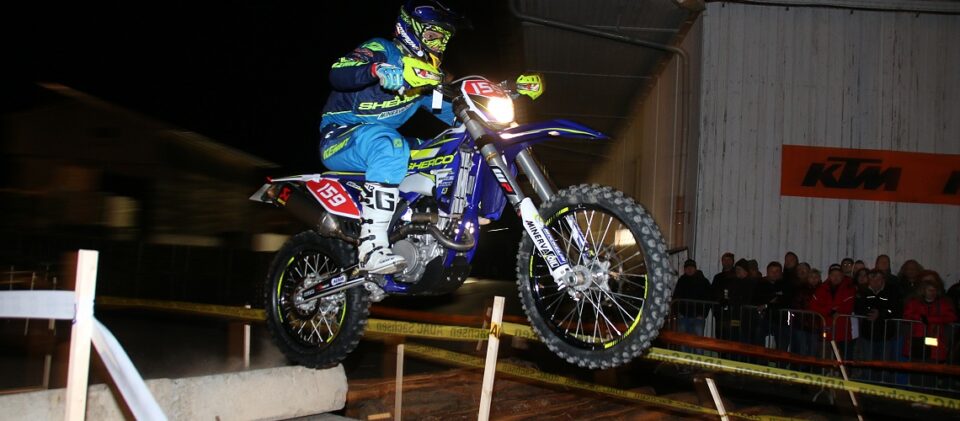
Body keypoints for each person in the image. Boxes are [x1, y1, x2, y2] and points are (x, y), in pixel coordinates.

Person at [318, 0, 461, 274]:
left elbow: (452, 113)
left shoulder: (426, 79)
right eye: (433, 35)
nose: (438, 45)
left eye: (444, 39)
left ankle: (422, 227)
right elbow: (338, 73)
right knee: (391, 144)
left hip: (379, 143)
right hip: (339, 137)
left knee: (446, 148)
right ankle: (371, 248)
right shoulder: (383, 50)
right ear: (410, 29)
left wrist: (493, 108)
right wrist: (377, 69)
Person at [854, 270, 901, 381]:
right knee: (868, 360)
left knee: (884, 361)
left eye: (878, 279)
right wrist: (868, 313)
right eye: (872, 279)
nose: (875, 282)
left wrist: (880, 314)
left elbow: (896, 309)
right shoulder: (863, 292)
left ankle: (884, 383)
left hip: (886, 334)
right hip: (868, 333)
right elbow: (858, 308)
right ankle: (869, 382)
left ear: (883, 280)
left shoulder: (891, 292)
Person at [903, 272, 956, 364]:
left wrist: (929, 319)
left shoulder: (943, 304)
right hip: (917, 339)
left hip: (934, 339)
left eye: (934, 290)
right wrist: (920, 318)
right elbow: (906, 315)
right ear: (923, 290)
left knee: (932, 364)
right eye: (930, 290)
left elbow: (952, 317)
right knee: (915, 364)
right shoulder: (914, 302)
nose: (932, 292)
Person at [810, 264, 857, 358]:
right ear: (829, 276)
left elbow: (849, 306)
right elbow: (813, 306)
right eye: (833, 275)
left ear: (842, 276)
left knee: (844, 358)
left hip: (843, 332)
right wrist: (830, 310)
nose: (835, 277)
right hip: (827, 331)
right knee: (826, 357)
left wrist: (833, 310)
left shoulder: (849, 288)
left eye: (838, 275)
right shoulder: (822, 289)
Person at [673, 259, 713, 351]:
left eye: (691, 267)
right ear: (684, 269)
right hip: (683, 317)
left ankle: (697, 360)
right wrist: (678, 313)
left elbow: (709, 298)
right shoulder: (681, 281)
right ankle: (684, 360)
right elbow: (676, 297)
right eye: (687, 267)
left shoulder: (703, 281)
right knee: (683, 342)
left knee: (698, 343)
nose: (689, 269)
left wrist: (703, 314)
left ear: (695, 268)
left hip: (698, 317)